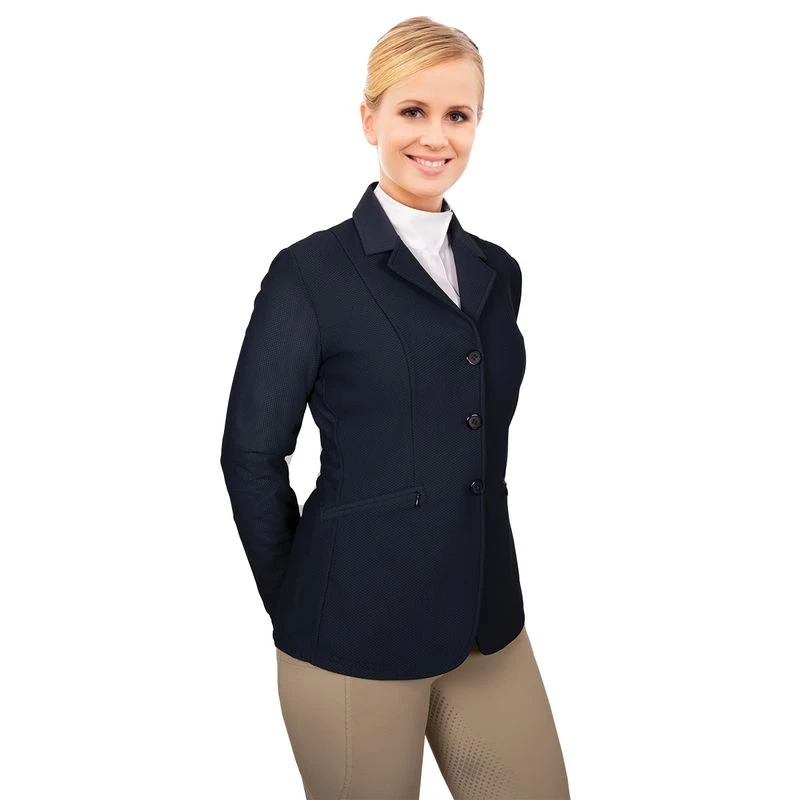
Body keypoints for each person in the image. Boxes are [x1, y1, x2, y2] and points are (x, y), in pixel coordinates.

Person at [220, 15, 571, 800]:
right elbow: (250, 455)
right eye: (413, 110)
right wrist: (303, 602)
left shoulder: (498, 272)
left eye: (459, 115)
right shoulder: (310, 275)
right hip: (354, 630)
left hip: (486, 621)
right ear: (369, 118)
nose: (436, 137)